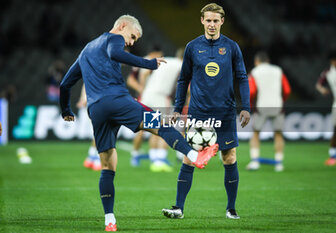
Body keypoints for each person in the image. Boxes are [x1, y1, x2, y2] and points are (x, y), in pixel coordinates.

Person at [59, 15, 218, 232]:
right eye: (132, 36)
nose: (131, 42)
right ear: (122, 25)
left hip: (96, 110)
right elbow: (116, 53)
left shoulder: (87, 49)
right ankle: (194, 155)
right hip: (118, 101)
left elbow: (65, 84)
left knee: (107, 166)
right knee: (161, 125)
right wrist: (148, 63)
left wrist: (66, 110)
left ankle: (109, 220)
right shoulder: (112, 38)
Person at [162, 3, 250, 220]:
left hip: (225, 112)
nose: (212, 24)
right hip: (198, 113)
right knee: (189, 158)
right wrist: (177, 108)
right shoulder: (193, 47)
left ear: (222, 21)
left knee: (229, 157)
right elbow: (183, 79)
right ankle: (178, 207)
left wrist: (246, 107)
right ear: (202, 20)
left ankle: (231, 208)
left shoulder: (231, 47)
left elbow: (242, 78)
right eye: (208, 20)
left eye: (215, 20)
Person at [246, 51, 291, 172]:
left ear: (257, 61)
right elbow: (287, 90)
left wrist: (250, 105)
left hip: (262, 107)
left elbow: (250, 91)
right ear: (268, 60)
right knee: (278, 134)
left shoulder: (255, 72)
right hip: (277, 106)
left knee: (256, 133)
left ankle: (255, 162)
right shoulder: (278, 70)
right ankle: (279, 163)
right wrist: (282, 101)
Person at [140, 48, 184, 172]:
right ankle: (161, 160)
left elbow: (144, 73)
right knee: (166, 127)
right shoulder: (182, 64)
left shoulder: (167, 60)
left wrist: (143, 89)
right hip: (160, 97)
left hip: (147, 95)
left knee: (153, 128)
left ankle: (154, 161)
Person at [126, 46, 164, 167]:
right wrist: (142, 90)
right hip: (146, 99)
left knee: (153, 126)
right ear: (153, 54)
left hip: (153, 98)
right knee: (145, 128)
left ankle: (153, 156)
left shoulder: (153, 64)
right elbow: (130, 80)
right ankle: (138, 154)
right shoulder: (144, 63)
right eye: (158, 55)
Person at [316, 50, 336, 166]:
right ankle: (333, 156)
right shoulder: (328, 72)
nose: (334, 63)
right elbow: (318, 84)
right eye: (332, 61)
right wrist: (322, 90)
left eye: (335, 60)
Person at [76, 84, 101, 171]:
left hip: (94, 102)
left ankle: (91, 157)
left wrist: (83, 98)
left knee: (98, 132)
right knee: (101, 131)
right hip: (96, 103)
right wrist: (84, 98)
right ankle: (97, 158)